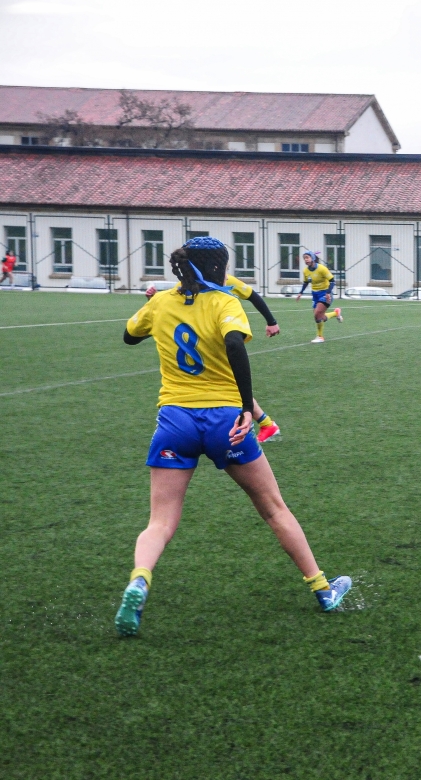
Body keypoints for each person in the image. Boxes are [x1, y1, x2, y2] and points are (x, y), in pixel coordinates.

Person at [114, 236, 350, 637]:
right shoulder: (225, 303)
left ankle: (139, 579)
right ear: (217, 268)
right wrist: (246, 407)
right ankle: (322, 590)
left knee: (160, 521)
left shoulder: (161, 302)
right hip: (225, 421)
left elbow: (129, 336)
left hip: (175, 421)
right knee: (274, 509)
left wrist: (155, 303)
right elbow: (234, 345)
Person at [146, 274, 283, 443]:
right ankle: (266, 424)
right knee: (229, 385)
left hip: (218, 342)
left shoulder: (226, 280)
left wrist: (271, 321)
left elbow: (252, 295)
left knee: (230, 385)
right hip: (200, 343)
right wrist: (154, 303)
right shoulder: (188, 282)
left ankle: (265, 424)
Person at [296, 249, 342, 343]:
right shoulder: (305, 271)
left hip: (325, 293)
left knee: (317, 315)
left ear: (313, 258)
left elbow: (332, 281)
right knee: (320, 317)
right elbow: (306, 282)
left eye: (307, 257)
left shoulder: (322, 268)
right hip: (315, 295)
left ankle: (320, 337)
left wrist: (328, 293)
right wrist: (300, 292)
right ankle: (336, 313)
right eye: (304, 258)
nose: (306, 259)